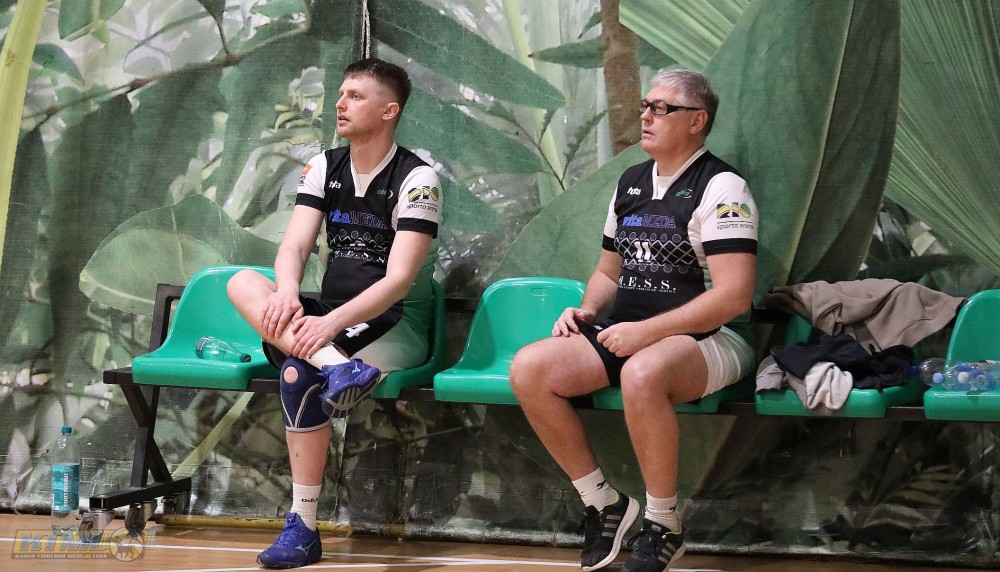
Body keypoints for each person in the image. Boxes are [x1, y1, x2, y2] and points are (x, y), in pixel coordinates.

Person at [509, 69, 758, 572]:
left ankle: (664, 524)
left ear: (697, 121)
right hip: (628, 334)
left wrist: (647, 332)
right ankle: (603, 502)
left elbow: (733, 296)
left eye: (662, 108)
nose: (646, 116)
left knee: (642, 373)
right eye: (646, 105)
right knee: (529, 368)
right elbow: (609, 271)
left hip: (708, 341)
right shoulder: (631, 181)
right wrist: (587, 309)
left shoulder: (722, 186)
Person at [227, 57, 442, 569]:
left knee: (296, 372)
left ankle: (302, 528)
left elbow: (398, 282)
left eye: (355, 96)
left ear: (389, 111)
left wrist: (328, 324)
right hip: (331, 320)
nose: (340, 104)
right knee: (242, 283)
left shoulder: (418, 179)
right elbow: (295, 246)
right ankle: (337, 365)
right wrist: (287, 292)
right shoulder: (325, 166)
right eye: (341, 94)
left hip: (394, 320)